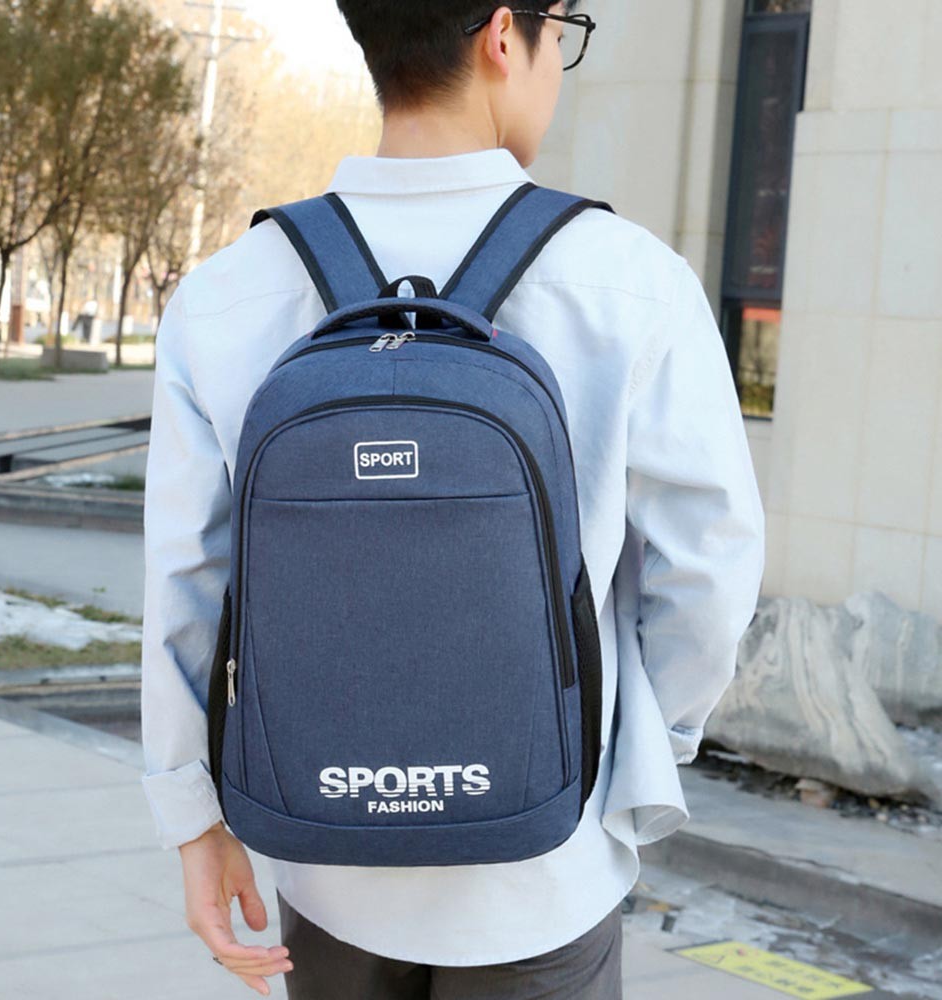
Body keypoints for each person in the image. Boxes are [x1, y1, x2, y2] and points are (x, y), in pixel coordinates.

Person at [138, 2, 767, 998]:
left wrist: (193, 818)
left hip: (322, 851)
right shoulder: (632, 281)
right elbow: (709, 568)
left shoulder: (226, 292)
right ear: (504, 36)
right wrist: (634, 746)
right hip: (543, 865)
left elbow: (188, 579)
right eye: (565, 32)